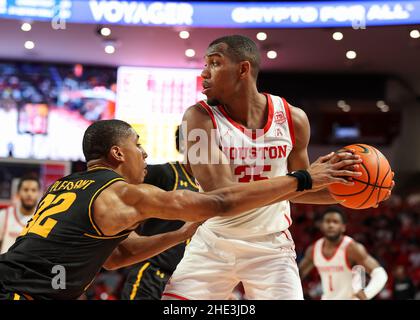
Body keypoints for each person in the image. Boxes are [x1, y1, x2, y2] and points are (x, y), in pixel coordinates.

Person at [0, 119, 361, 300]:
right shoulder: (124, 193)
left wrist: (181, 233)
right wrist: (302, 179)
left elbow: (116, 256)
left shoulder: (65, 185)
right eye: (138, 145)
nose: (145, 153)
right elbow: (220, 202)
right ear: (118, 154)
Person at [162, 35, 393, 300]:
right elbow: (222, 197)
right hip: (213, 242)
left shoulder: (293, 119)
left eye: (214, 63)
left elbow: (300, 190)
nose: (203, 73)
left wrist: (361, 195)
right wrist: (302, 179)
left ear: (243, 69)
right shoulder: (198, 118)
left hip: (271, 247)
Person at [121, 127, 199, 300]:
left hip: (184, 281)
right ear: (185, 145)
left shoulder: (209, 187)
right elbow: (117, 191)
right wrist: (125, 235)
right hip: (152, 272)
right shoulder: (166, 173)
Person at [298, 206, 388, 300]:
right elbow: (296, 276)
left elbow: (380, 274)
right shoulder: (314, 249)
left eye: (335, 222)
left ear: (343, 227)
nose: (331, 225)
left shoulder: (351, 248)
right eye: (328, 221)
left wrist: (366, 295)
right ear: (321, 225)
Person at [0, 176, 41, 254]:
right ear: (18, 193)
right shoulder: (4, 215)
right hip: (6, 264)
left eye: (33, 190)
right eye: (25, 190)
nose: (29, 194)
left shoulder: (42, 218)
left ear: (39, 194)